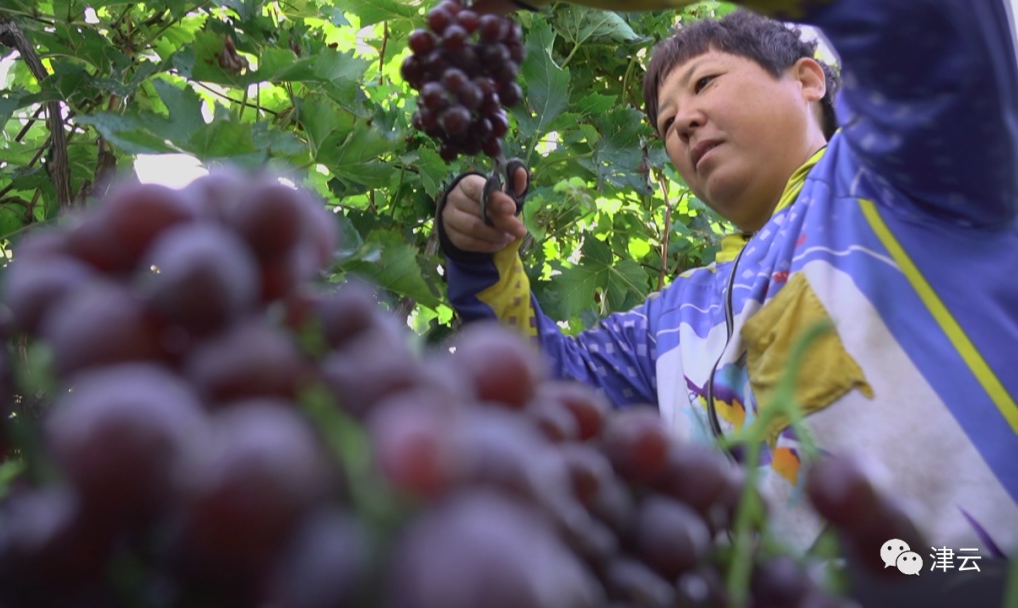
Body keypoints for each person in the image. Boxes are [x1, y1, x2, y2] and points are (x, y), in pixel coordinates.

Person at [436, 0, 1018, 556]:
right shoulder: (670, 322)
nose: (684, 121)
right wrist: (480, 256)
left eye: (706, 82)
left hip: (969, 576)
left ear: (808, 80)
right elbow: (546, 390)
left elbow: (930, 27)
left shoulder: (896, 178)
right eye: (666, 123)